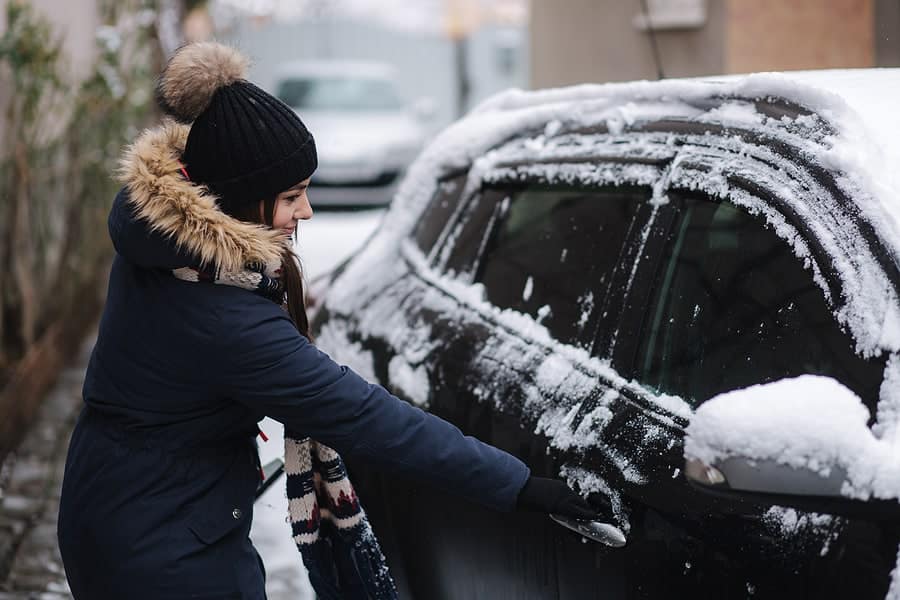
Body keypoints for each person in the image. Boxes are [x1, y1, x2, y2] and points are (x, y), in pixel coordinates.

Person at [57, 42, 605, 599]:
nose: (306, 212)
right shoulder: (223, 316)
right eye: (292, 197)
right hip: (163, 551)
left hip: (121, 504)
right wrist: (521, 486)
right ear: (239, 201)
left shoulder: (165, 246)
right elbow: (368, 417)